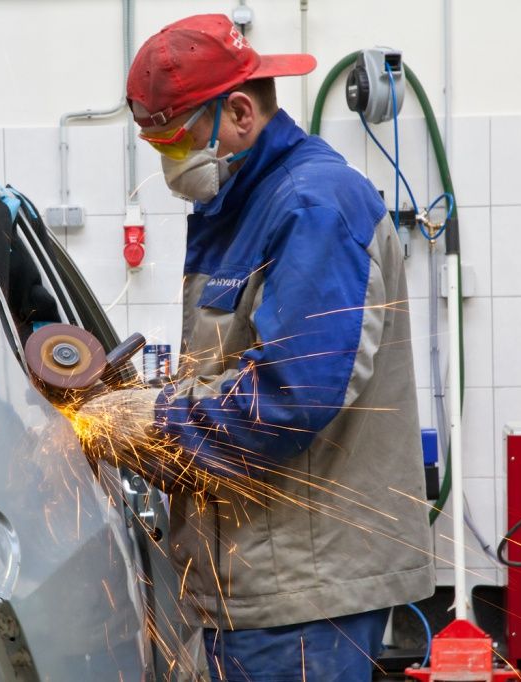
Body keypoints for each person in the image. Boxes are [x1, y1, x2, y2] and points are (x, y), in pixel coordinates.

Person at [77, 13, 435, 681]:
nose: (168, 163)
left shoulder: (313, 208)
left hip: (299, 590)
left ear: (239, 112)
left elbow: (287, 398)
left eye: (175, 141)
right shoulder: (242, 204)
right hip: (248, 579)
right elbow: (228, 364)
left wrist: (151, 423)